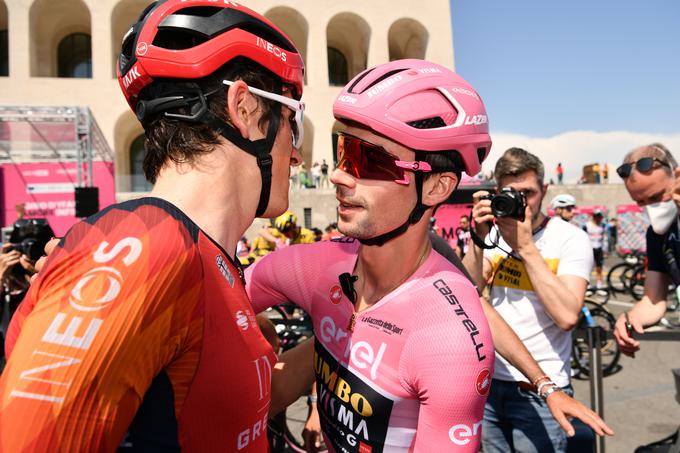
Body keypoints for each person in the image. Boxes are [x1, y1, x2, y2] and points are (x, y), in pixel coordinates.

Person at [246, 60, 611, 452]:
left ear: (436, 188)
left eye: (366, 159)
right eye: (341, 151)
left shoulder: (449, 339)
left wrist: (545, 385)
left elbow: (475, 308)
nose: (339, 174)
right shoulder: (313, 266)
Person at [0, 2, 314, 451]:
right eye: (292, 123)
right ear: (243, 108)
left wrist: (341, 333)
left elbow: (226, 421)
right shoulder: (146, 248)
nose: (297, 154)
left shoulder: (202, 252)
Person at [463, 147, 595, 453]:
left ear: (545, 190)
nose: (521, 201)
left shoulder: (569, 238)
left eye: (529, 192)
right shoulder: (494, 237)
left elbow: (566, 316)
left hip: (542, 388)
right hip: (490, 383)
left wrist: (525, 247)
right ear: (496, 193)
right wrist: (479, 240)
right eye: (511, 192)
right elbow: (468, 290)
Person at [613, 143, 679, 357]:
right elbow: (653, 299)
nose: (650, 207)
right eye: (640, 202)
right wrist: (631, 318)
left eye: (657, 196)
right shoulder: (657, 235)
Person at [585, 209, 606, 289]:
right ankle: (588, 286)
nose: (599, 218)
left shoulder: (603, 225)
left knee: (599, 268)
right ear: (594, 217)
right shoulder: (587, 225)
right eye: (598, 216)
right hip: (590, 249)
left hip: (599, 248)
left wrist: (605, 250)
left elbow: (605, 238)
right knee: (588, 267)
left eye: (600, 217)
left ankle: (599, 285)